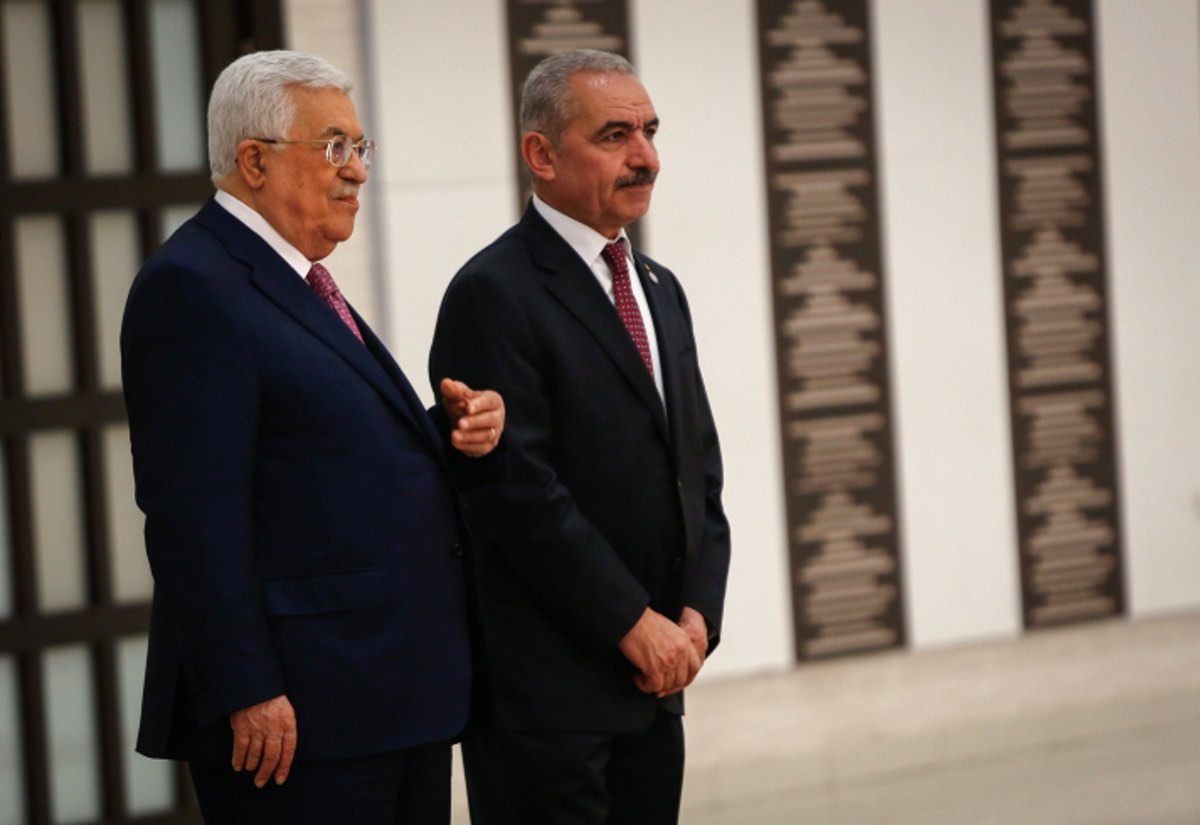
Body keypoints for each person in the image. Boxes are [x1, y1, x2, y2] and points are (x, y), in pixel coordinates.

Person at [121, 50, 504, 824]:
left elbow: (315, 461)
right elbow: (194, 514)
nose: (357, 171)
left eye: (361, 148)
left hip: (389, 696)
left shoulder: (292, 280)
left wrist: (446, 433)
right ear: (254, 160)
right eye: (334, 147)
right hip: (297, 717)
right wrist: (247, 687)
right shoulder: (193, 285)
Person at [429, 49, 731, 824]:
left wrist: (698, 615)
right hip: (548, 704)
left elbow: (696, 471)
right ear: (542, 154)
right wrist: (636, 624)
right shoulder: (493, 292)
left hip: (656, 686)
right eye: (616, 135)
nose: (646, 157)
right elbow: (515, 491)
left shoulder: (660, 289)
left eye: (651, 131)